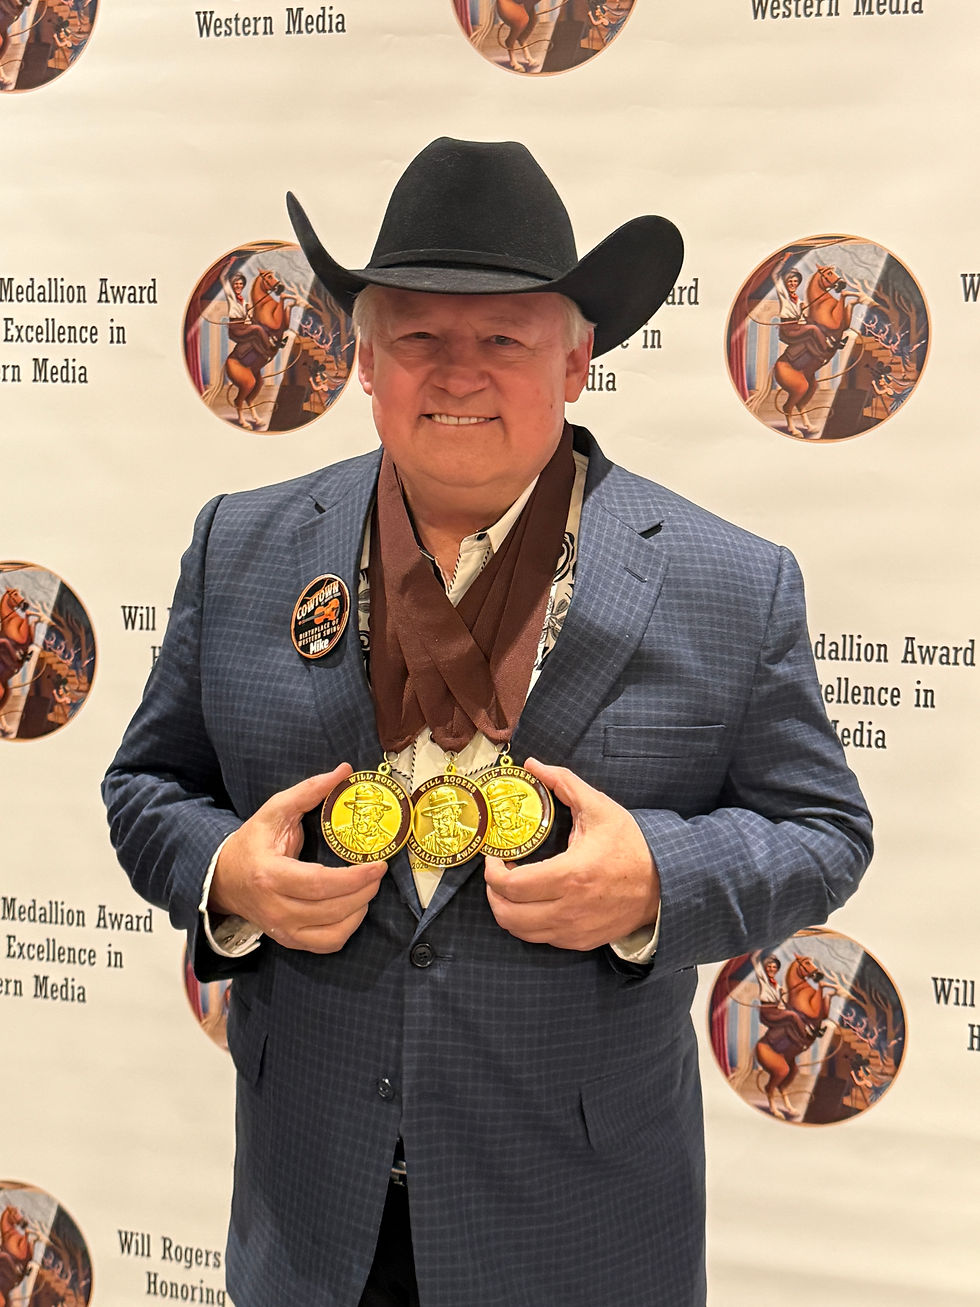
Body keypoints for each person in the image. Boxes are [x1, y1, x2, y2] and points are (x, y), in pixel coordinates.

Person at [103, 137, 872, 1307]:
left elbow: (822, 829)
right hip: (309, 1216)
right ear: (363, 360)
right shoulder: (240, 544)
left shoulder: (730, 580)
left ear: (576, 363)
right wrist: (228, 874)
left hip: (577, 1224)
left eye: (502, 338)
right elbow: (145, 787)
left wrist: (654, 877)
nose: (455, 373)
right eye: (416, 335)